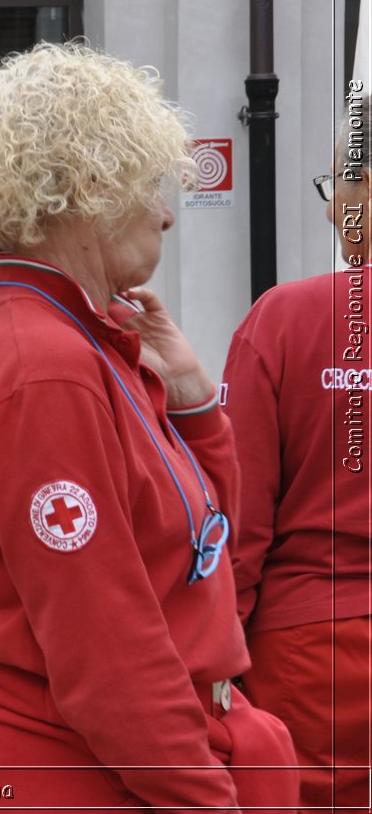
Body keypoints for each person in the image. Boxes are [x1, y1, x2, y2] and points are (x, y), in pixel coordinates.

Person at [0, 43, 297, 809]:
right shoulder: (46, 367)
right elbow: (106, 652)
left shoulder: (73, 342)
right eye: (150, 182)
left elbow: (197, 553)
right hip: (90, 778)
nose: (167, 211)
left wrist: (190, 401)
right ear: (90, 183)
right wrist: (208, 799)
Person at [220, 120, 372, 809]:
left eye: (336, 183)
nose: (331, 204)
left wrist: (213, 656)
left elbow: (238, 524)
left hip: (315, 652)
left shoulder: (283, 320)